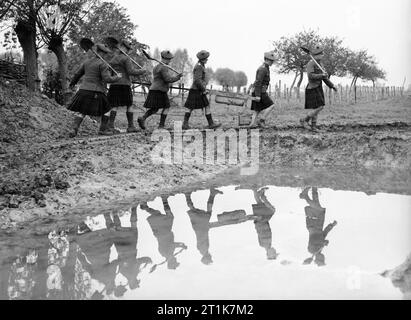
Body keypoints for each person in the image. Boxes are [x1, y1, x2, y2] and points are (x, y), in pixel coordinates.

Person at [68, 43, 122, 137]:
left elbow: (77, 74)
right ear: (102, 53)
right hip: (96, 91)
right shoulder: (103, 64)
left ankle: (74, 128)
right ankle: (102, 130)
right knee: (107, 109)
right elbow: (107, 79)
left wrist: (72, 84)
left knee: (82, 111)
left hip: (83, 90)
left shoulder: (86, 62)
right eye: (105, 53)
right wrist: (117, 77)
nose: (106, 55)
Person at [107, 40, 150, 133]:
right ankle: (131, 127)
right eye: (127, 48)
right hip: (124, 84)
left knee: (114, 105)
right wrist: (142, 70)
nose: (128, 50)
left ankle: (110, 126)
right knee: (129, 105)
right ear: (122, 46)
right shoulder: (126, 58)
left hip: (114, 84)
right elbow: (131, 71)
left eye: (128, 49)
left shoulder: (113, 59)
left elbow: (110, 72)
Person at [137, 50, 183, 130]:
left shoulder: (157, 67)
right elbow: (167, 79)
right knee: (166, 107)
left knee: (155, 108)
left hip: (154, 89)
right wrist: (177, 77)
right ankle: (161, 126)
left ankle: (143, 118)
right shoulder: (164, 67)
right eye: (169, 59)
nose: (170, 61)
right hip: (160, 90)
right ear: (165, 59)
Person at [141, 197, 187, 270]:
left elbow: (172, 245)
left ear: (171, 261)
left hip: (162, 231)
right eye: (176, 261)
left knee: (165, 215)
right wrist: (181, 245)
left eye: (175, 261)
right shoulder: (169, 254)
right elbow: (173, 245)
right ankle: (147, 206)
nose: (176, 260)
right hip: (165, 230)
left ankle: (163, 200)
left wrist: (181, 245)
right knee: (162, 214)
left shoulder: (165, 253)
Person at [300, 46, 338, 132]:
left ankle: (313, 126)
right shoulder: (311, 63)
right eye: (321, 54)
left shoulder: (320, 64)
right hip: (312, 88)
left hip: (318, 87)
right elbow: (311, 76)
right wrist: (322, 75)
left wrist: (332, 86)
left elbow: (324, 78)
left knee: (316, 108)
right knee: (320, 107)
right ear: (317, 55)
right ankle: (304, 120)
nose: (322, 55)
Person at [182, 50, 221, 130]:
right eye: (206, 58)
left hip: (197, 90)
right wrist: (203, 90)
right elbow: (197, 80)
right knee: (191, 107)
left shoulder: (201, 65)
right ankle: (185, 124)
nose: (207, 60)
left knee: (204, 106)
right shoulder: (199, 66)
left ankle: (210, 123)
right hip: (196, 90)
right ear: (203, 59)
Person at [299, 187, 337, 266]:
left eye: (322, 259)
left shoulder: (311, 250)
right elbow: (324, 233)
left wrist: (323, 242)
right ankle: (314, 187)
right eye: (323, 259)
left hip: (313, 225)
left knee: (317, 208)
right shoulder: (320, 249)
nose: (323, 257)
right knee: (317, 205)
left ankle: (305, 196)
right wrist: (332, 225)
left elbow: (314, 239)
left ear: (318, 258)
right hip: (318, 224)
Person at [185, 188, 222, 265]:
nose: (211, 257)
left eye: (210, 259)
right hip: (200, 227)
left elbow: (202, 237)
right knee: (197, 211)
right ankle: (212, 194)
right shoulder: (203, 250)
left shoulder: (203, 250)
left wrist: (207, 227)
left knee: (195, 210)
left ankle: (187, 194)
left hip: (200, 227)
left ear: (206, 258)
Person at [249, 51, 276, 128]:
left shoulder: (266, 68)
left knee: (257, 110)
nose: (272, 62)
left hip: (259, 91)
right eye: (271, 60)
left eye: (272, 60)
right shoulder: (263, 69)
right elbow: (258, 82)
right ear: (266, 59)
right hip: (260, 92)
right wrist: (257, 95)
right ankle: (262, 120)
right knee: (271, 105)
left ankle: (251, 125)